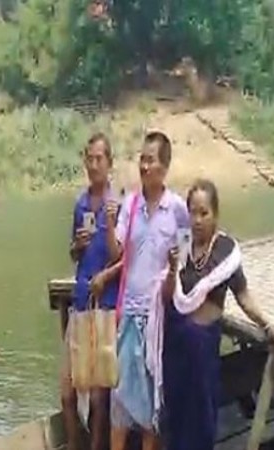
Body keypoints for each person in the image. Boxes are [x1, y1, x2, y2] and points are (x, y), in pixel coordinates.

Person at [161, 179, 274, 450]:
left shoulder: (225, 252)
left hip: (202, 347)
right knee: (174, 412)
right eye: (192, 212)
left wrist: (266, 325)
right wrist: (171, 269)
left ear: (215, 214)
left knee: (202, 414)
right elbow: (166, 295)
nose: (197, 220)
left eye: (203, 213)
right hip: (175, 346)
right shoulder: (182, 244)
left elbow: (243, 296)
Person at [105, 131, 189, 450]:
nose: (143, 165)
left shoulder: (177, 209)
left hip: (157, 320)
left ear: (164, 166)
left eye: (150, 159)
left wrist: (174, 266)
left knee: (151, 404)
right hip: (129, 314)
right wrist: (111, 225)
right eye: (141, 158)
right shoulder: (131, 204)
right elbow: (116, 254)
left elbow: (184, 253)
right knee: (121, 402)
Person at [61, 133, 120, 450]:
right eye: (89, 158)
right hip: (81, 301)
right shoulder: (80, 203)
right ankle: (73, 444)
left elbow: (124, 258)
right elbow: (73, 253)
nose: (93, 164)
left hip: (106, 307)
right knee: (67, 390)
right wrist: (77, 245)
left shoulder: (118, 205)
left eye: (99, 158)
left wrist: (106, 275)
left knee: (99, 397)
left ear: (110, 163)